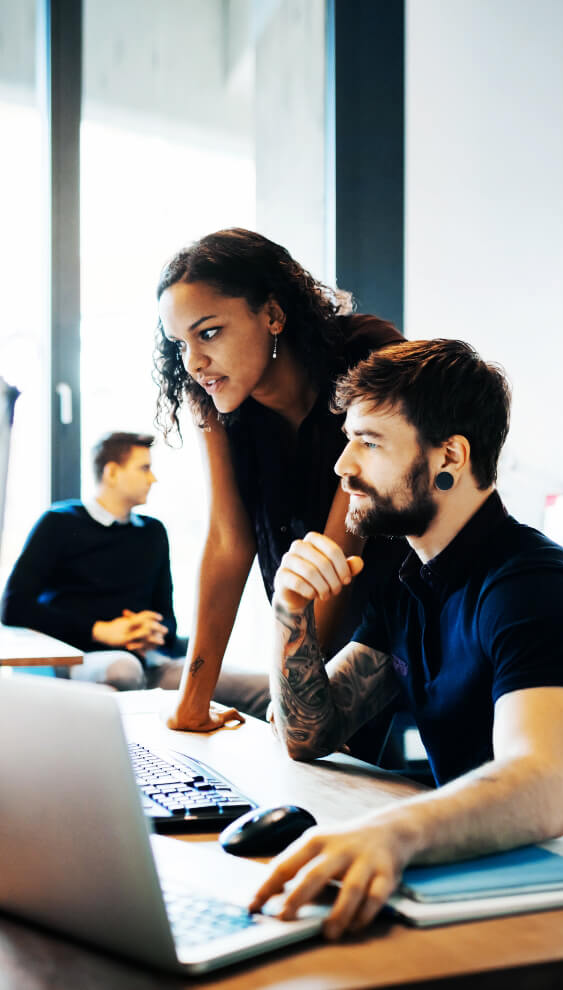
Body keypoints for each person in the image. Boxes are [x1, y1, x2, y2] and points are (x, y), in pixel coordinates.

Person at [250, 339, 563, 939]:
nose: (343, 465)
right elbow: (311, 734)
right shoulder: (411, 578)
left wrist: (395, 831)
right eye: (348, 439)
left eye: (369, 441)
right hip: (492, 880)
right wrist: (290, 611)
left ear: (451, 457)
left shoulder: (535, 588)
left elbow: (544, 785)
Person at [154, 228, 407, 739]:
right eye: (180, 343)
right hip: (307, 626)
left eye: (208, 333)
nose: (193, 362)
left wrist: (297, 687)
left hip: (396, 627)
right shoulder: (215, 399)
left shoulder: (370, 357)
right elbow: (228, 541)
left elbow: (342, 547)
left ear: (272, 315)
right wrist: (192, 703)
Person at [0, 431, 267, 711]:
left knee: (266, 688)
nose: (153, 479)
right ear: (112, 473)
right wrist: (100, 630)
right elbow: (13, 607)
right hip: (86, 658)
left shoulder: (153, 533)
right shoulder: (58, 523)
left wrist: (150, 631)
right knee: (124, 669)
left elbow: (168, 620)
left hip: (151, 662)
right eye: (144, 468)